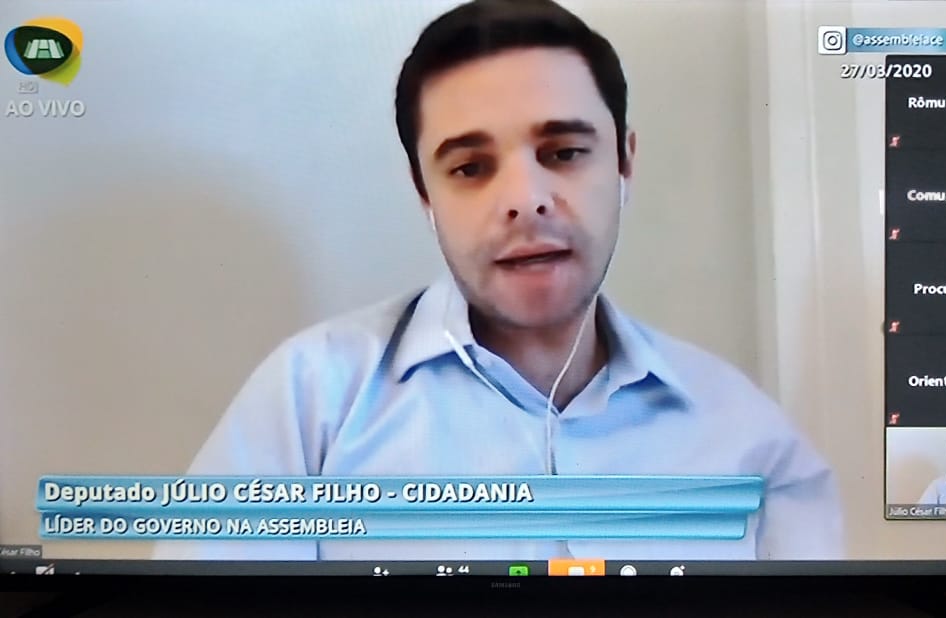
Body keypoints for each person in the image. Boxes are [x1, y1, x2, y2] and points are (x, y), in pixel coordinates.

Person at [154, 0, 842, 561]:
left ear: (624, 164)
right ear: (424, 193)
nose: (526, 200)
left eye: (563, 152)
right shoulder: (309, 403)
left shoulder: (751, 439)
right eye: (470, 168)